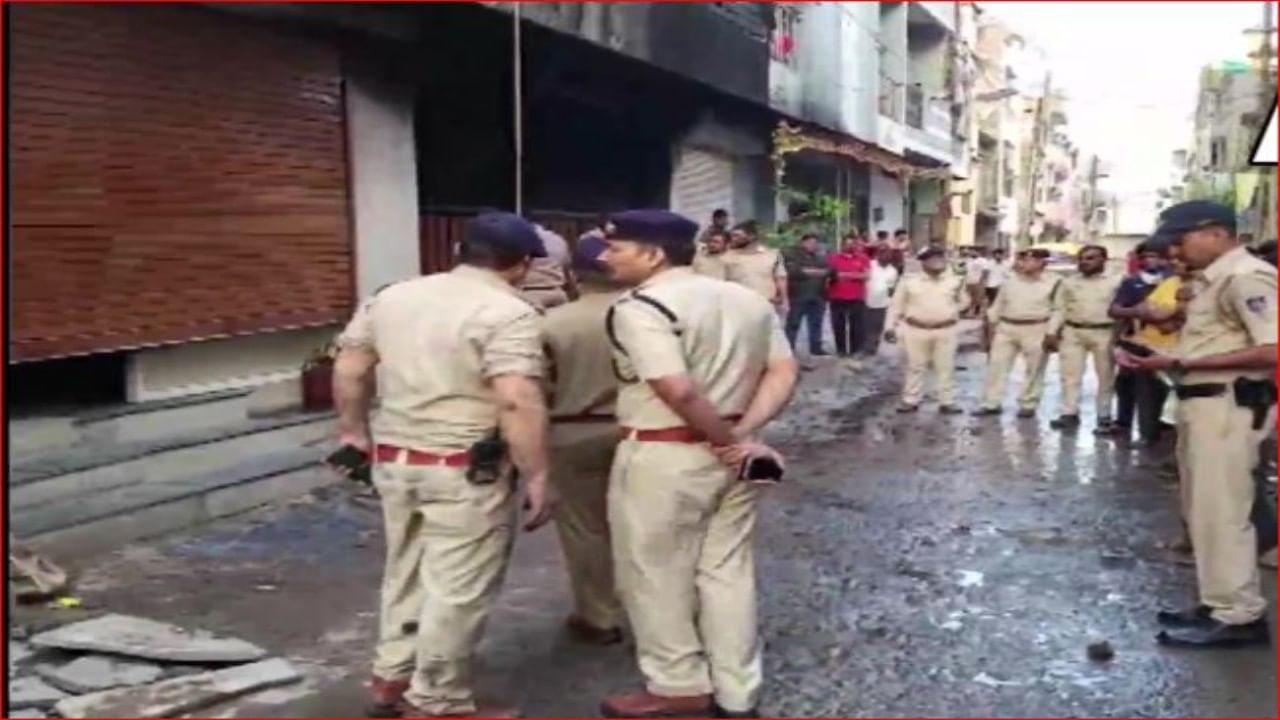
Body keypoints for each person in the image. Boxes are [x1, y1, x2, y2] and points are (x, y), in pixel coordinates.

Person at [332, 212, 554, 717]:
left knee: (405, 569)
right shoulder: (508, 313)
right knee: (458, 586)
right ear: (521, 266)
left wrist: (353, 432)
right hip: (464, 470)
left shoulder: (392, 296)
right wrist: (538, 475)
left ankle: (393, 676)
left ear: (460, 249)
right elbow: (517, 398)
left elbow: (348, 367)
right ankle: (438, 699)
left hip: (394, 460)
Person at [597, 209, 799, 718]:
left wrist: (725, 439)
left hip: (664, 455)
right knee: (728, 572)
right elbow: (783, 370)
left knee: (654, 572)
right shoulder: (748, 301)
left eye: (615, 247)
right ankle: (738, 690)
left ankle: (677, 684)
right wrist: (743, 437)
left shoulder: (641, 306)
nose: (604, 257)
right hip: (736, 455)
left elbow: (677, 389)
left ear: (653, 254)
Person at [1117, 200, 1276, 648]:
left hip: (1227, 405)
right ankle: (1218, 601)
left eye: (1180, 241)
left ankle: (1239, 615)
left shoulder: (1247, 276)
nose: (1173, 254)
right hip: (1201, 404)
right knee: (1204, 512)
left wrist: (1185, 359)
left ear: (1214, 232)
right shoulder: (1209, 281)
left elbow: (1275, 347)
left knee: (1224, 512)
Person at [542, 233, 627, 647]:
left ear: (571, 275)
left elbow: (534, 390)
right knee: (646, 525)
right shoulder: (655, 317)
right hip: (642, 431)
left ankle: (599, 615)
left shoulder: (553, 324)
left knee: (586, 529)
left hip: (573, 432)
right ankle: (660, 612)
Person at [974, 248, 1061, 418]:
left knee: (1034, 368)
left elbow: (1059, 310)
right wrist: (989, 329)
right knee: (996, 366)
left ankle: (1028, 403)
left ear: (1042, 263)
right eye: (1022, 260)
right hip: (1007, 328)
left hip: (1036, 327)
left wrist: (1052, 332)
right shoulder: (1010, 282)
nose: (1023, 264)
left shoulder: (1054, 283)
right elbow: (998, 306)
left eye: (1030, 261)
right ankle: (991, 403)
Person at [883, 247, 968, 414]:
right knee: (915, 366)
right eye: (932, 260)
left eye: (940, 259)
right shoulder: (909, 281)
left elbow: (965, 302)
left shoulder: (955, 280)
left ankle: (947, 401)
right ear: (923, 262)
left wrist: (951, 311)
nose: (937, 263)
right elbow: (896, 306)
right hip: (916, 329)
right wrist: (889, 327)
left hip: (945, 329)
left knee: (945, 367)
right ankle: (910, 400)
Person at [1048, 245, 1123, 432]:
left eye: (1090, 258)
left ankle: (1104, 416)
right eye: (1081, 259)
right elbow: (1059, 309)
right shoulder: (1069, 283)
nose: (1084, 262)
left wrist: (1120, 336)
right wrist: (1051, 332)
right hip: (1073, 331)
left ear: (1103, 260)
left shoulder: (1116, 281)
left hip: (1104, 332)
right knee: (1069, 376)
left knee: (1106, 377)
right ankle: (1069, 413)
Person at [1107, 240, 1170, 441]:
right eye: (1146, 257)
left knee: (1157, 389)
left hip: (1167, 343)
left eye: (1156, 256)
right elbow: (1115, 310)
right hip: (1134, 340)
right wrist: (1138, 312)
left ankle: (1156, 429)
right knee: (1126, 384)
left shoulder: (1171, 282)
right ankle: (1124, 423)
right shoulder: (1131, 282)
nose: (1151, 260)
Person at [783, 233, 831, 356]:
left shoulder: (819, 257)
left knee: (816, 323)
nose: (812, 245)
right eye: (810, 242)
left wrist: (809, 271)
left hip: (818, 295)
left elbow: (830, 270)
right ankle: (789, 348)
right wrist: (818, 272)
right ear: (802, 243)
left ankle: (816, 347)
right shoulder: (792, 255)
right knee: (793, 323)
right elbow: (793, 272)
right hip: (799, 295)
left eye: (815, 243)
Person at [723, 220, 787, 311]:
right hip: (738, 306)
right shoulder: (726, 256)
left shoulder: (772, 255)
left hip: (766, 305)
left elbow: (780, 278)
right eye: (732, 236)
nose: (733, 239)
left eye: (737, 235)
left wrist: (784, 300)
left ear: (751, 236)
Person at [827, 234, 871, 361]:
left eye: (853, 244)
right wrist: (855, 275)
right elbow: (830, 275)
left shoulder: (863, 258)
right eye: (847, 243)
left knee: (857, 325)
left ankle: (855, 350)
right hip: (836, 296)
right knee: (838, 325)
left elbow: (866, 276)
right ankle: (841, 350)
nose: (850, 246)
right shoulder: (833, 258)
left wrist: (844, 275)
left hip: (856, 297)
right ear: (842, 245)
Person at [522, 222, 579, 310]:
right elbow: (567, 271)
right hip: (557, 290)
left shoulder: (516, 239)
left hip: (526, 292)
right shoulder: (558, 240)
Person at [861, 246, 900, 358]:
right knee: (865, 326)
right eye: (884, 254)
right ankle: (865, 347)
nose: (887, 257)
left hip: (883, 303)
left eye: (889, 255)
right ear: (878, 255)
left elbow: (891, 289)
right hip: (866, 300)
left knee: (878, 327)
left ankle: (872, 348)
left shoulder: (893, 270)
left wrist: (892, 303)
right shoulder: (870, 265)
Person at [963, 247, 991, 318]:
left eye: (974, 251)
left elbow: (986, 271)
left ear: (978, 252)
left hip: (978, 282)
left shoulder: (982, 260)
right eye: (971, 251)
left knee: (978, 298)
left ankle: (976, 313)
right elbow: (965, 270)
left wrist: (982, 281)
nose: (972, 252)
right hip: (969, 281)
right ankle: (970, 312)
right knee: (969, 298)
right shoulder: (968, 260)